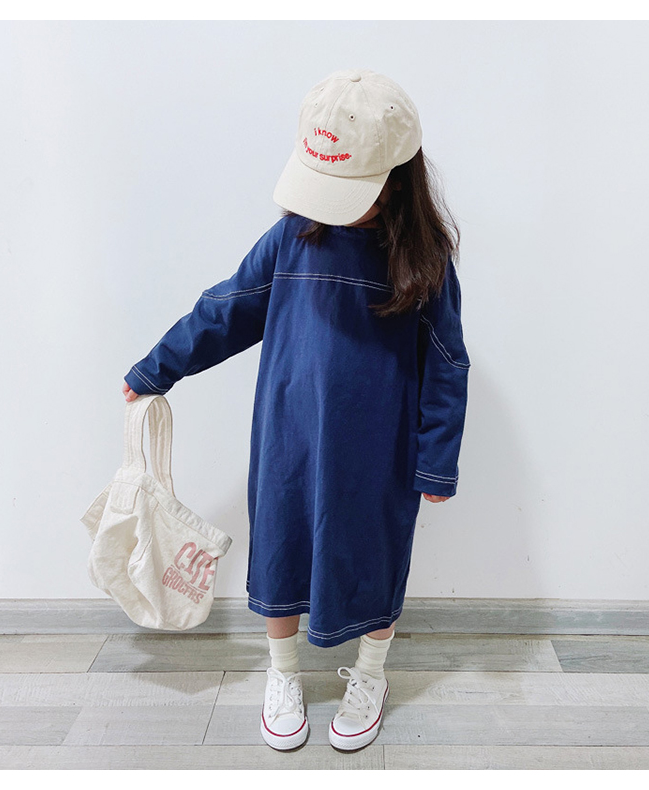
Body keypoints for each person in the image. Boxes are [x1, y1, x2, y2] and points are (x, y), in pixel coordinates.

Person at [121, 68, 470, 753]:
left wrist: (436, 459)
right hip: (289, 438)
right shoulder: (290, 241)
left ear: (396, 180)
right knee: (280, 549)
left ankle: (371, 674)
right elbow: (224, 309)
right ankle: (281, 673)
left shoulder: (424, 262)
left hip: (380, 450)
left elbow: (446, 363)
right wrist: (157, 367)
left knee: (374, 556)